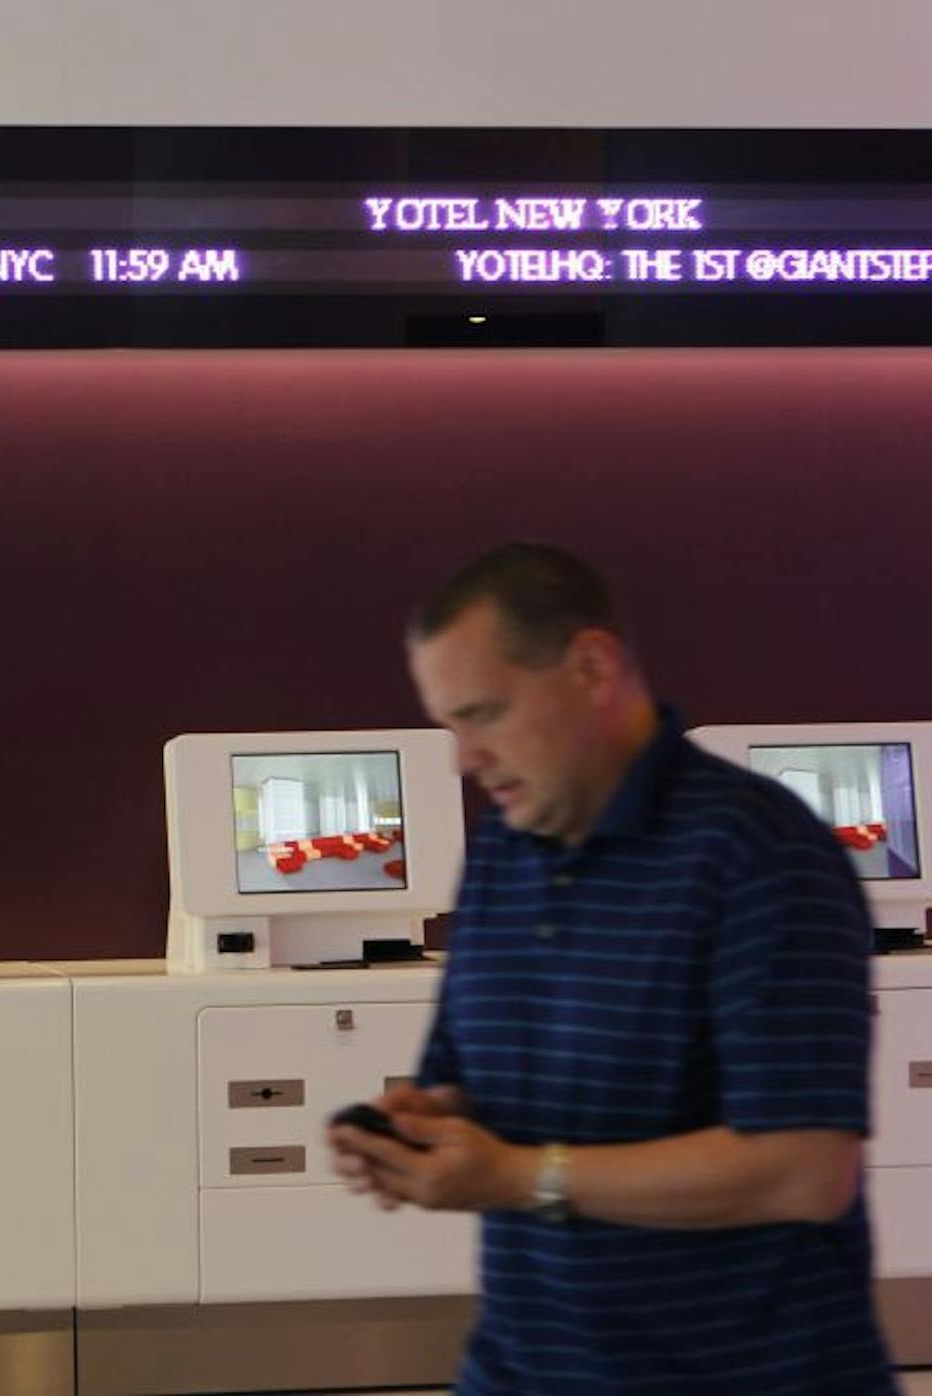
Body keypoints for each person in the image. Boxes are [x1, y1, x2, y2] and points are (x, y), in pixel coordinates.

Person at [329, 542, 895, 1394]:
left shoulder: (759, 855)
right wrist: (419, 1126)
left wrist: (521, 1177)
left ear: (592, 666)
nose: (463, 760)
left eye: (483, 714)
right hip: (525, 1367)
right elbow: (467, 1080)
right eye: (449, 725)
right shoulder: (503, 858)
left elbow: (802, 1169)